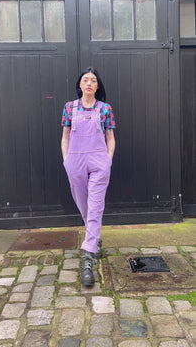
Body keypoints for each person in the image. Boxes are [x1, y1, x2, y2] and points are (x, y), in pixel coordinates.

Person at [61, 67, 116, 286]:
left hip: (98, 160)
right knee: (84, 205)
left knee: (95, 206)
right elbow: (65, 136)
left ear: (97, 86)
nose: (89, 83)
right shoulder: (69, 108)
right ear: (80, 85)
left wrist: (108, 159)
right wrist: (66, 160)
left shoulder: (104, 109)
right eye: (86, 80)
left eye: (93, 80)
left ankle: (87, 256)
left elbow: (110, 137)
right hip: (75, 160)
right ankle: (95, 238)